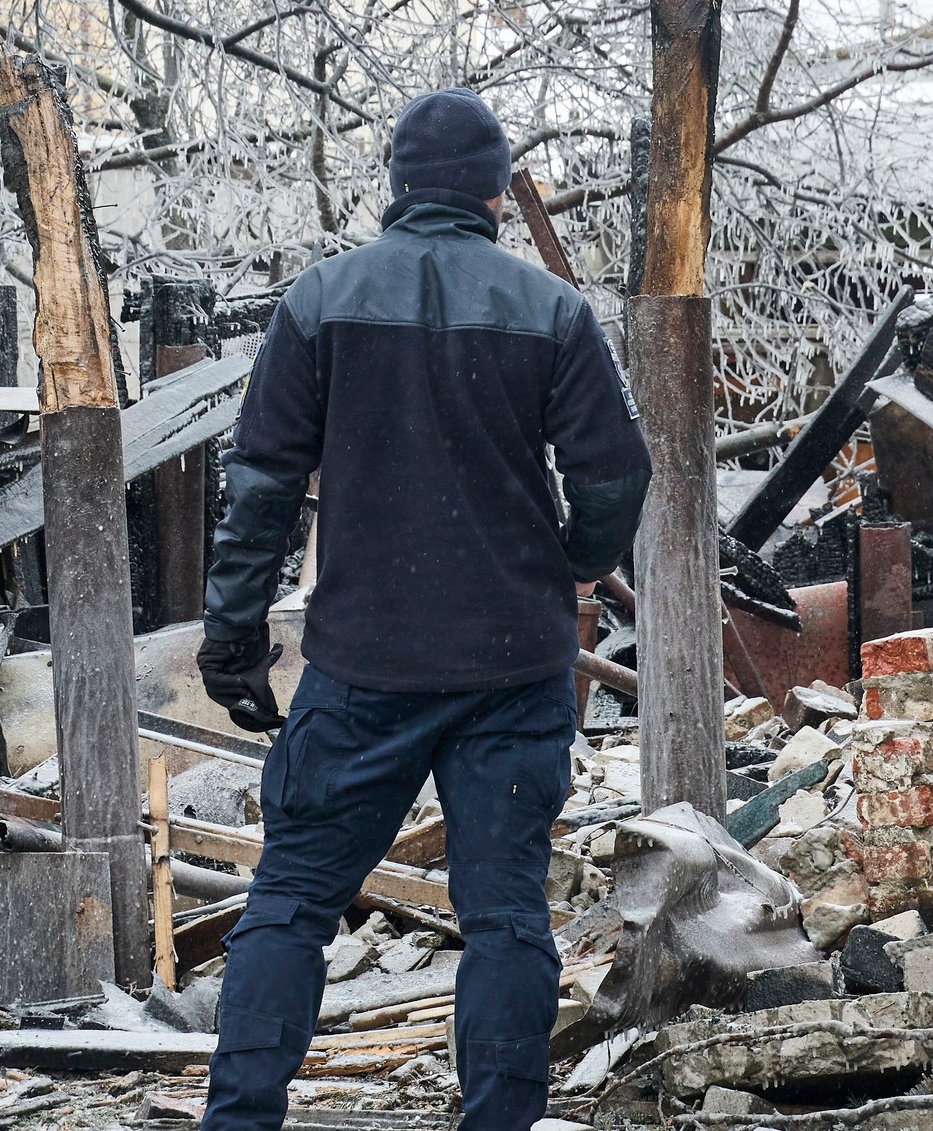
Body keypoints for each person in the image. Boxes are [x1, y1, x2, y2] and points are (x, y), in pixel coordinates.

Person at [194, 87, 651, 1131]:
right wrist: (574, 562)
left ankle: (240, 1120)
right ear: (495, 190)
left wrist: (233, 636)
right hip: (510, 663)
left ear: (398, 186)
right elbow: (618, 475)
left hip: (364, 663)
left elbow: (261, 479)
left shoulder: (320, 301)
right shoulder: (552, 311)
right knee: (504, 919)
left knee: (294, 903)